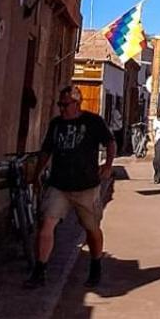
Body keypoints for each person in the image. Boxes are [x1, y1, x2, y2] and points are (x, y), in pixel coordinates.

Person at [28, 85, 114, 288]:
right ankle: (39, 271)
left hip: (86, 186)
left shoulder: (93, 122)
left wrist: (108, 164)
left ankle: (95, 265)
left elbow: (110, 142)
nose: (61, 109)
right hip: (59, 185)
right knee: (46, 224)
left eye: (65, 105)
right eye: (60, 104)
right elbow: (46, 150)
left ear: (77, 103)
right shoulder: (56, 124)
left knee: (91, 229)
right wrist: (37, 173)